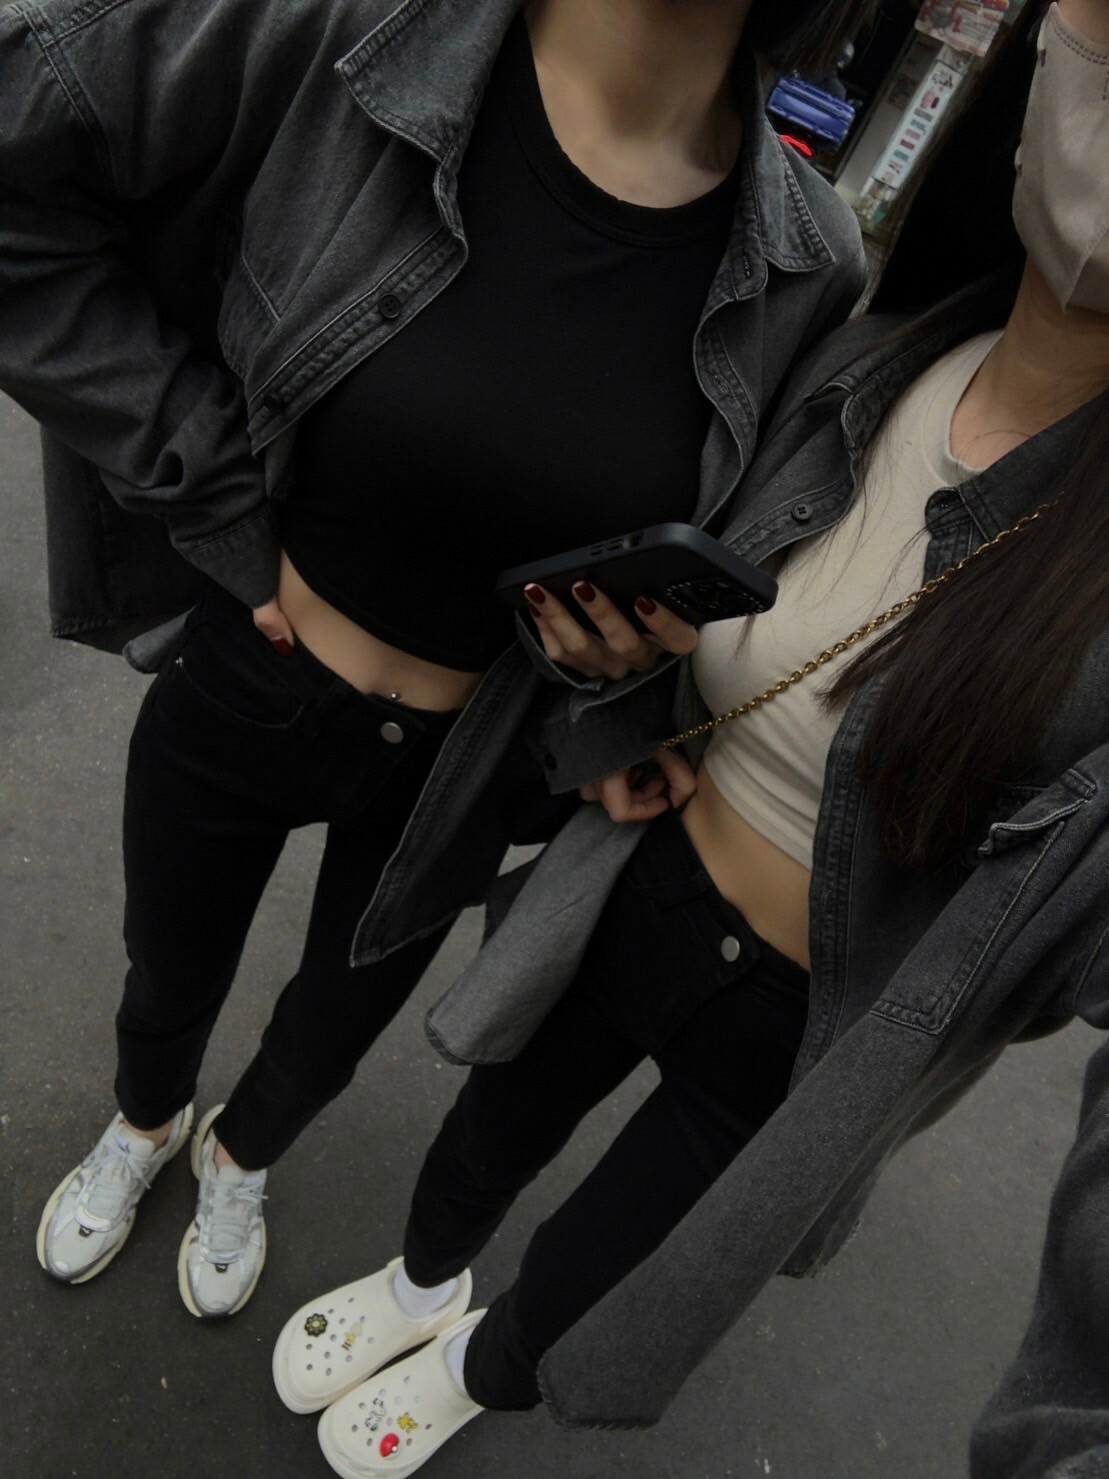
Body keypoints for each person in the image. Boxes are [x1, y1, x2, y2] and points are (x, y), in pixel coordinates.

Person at [266, 1, 1109, 1472]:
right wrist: (623, 700)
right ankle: (421, 1283)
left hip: (804, 1019)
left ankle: (473, 1363)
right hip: (639, 880)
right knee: (486, 1135)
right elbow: (688, 604)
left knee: (605, 1254)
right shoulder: (866, 359)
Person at [0, 0, 868, 1317]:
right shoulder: (347, 43)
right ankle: (148, 1119)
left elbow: (755, 552)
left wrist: (622, 679)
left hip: (470, 763)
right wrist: (205, 486)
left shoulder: (809, 262)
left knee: (330, 1029)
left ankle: (241, 1154)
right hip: (250, 673)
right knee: (167, 965)